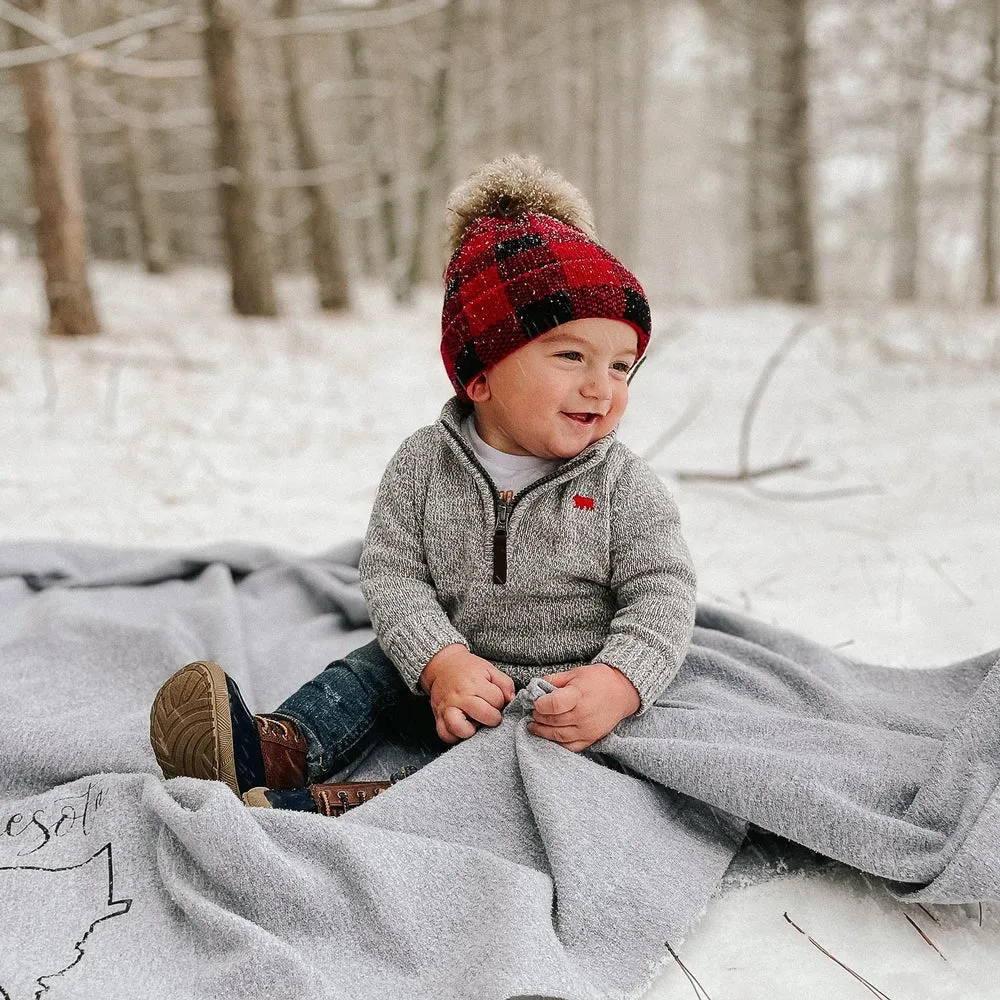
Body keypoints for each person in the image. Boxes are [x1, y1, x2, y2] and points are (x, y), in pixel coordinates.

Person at [149, 154, 697, 815]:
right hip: (447, 668)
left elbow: (662, 593)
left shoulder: (621, 485)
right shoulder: (422, 466)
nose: (601, 387)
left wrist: (618, 681)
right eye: (571, 356)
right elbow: (392, 573)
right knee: (365, 673)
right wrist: (439, 662)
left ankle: (338, 806)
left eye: (620, 366)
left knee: (508, 777)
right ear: (481, 374)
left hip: (562, 693)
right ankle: (270, 753)